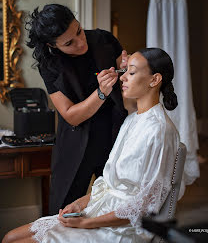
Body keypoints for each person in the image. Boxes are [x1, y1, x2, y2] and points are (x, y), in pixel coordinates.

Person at [3, 48, 181, 243]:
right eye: (125, 72)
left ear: (154, 80)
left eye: (131, 72)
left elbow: (145, 206)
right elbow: (108, 182)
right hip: (99, 208)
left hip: (123, 228)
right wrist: (78, 205)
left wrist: (87, 223)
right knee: (10, 237)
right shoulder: (132, 120)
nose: (122, 78)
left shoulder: (160, 130)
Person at [24, 4, 129, 215]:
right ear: (52, 45)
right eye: (69, 43)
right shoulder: (50, 65)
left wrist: (129, 68)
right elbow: (71, 116)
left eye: (79, 31)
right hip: (75, 142)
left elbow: (129, 83)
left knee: (116, 203)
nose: (81, 43)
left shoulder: (104, 40)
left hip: (114, 134)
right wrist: (101, 93)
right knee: (64, 209)